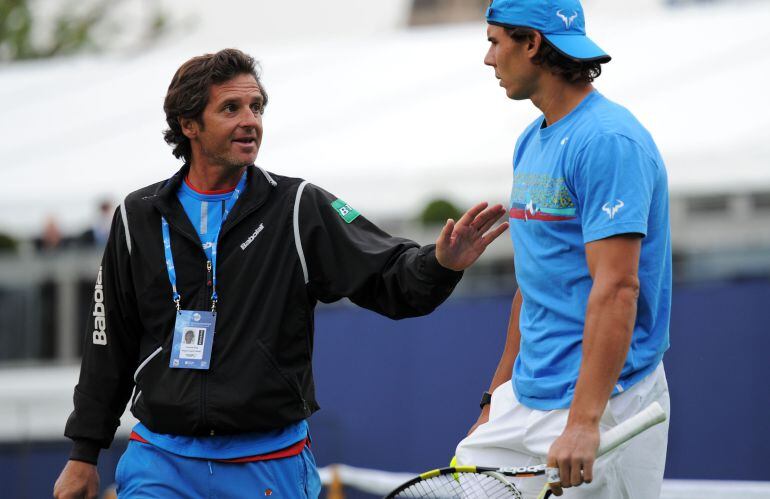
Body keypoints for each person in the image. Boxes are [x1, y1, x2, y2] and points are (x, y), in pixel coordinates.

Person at [53, 48, 508, 499]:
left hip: (269, 465)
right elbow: (106, 345)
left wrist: (441, 263)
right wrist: (83, 453)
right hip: (161, 463)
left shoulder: (298, 206)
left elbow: (390, 276)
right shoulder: (138, 215)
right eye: (230, 108)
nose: (250, 120)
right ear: (189, 124)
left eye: (256, 107)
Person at [454, 1, 672, 497]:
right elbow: (533, 284)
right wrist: (494, 400)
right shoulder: (531, 139)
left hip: (602, 405)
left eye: (494, 41)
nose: (488, 58)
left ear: (531, 43)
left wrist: (583, 422)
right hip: (524, 401)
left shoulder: (609, 141)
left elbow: (618, 287)